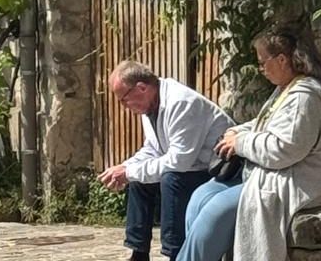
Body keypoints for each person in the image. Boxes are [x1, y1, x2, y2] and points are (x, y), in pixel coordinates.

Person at [175, 27, 321, 261]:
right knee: (201, 197)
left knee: (216, 211)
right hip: (273, 174)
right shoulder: (284, 91)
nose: (261, 69)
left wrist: (240, 143)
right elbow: (262, 124)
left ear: (282, 60)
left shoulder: (305, 99)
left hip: (298, 182)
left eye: (263, 62)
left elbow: (283, 149)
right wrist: (236, 131)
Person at [98, 61, 232, 261]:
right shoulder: (149, 106)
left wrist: (129, 172)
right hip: (192, 166)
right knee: (138, 179)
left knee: (171, 179)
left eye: (124, 99)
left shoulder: (181, 103)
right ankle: (138, 253)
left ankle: (175, 253)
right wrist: (126, 167)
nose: (124, 106)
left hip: (218, 171)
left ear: (141, 88)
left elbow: (179, 161)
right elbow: (153, 149)